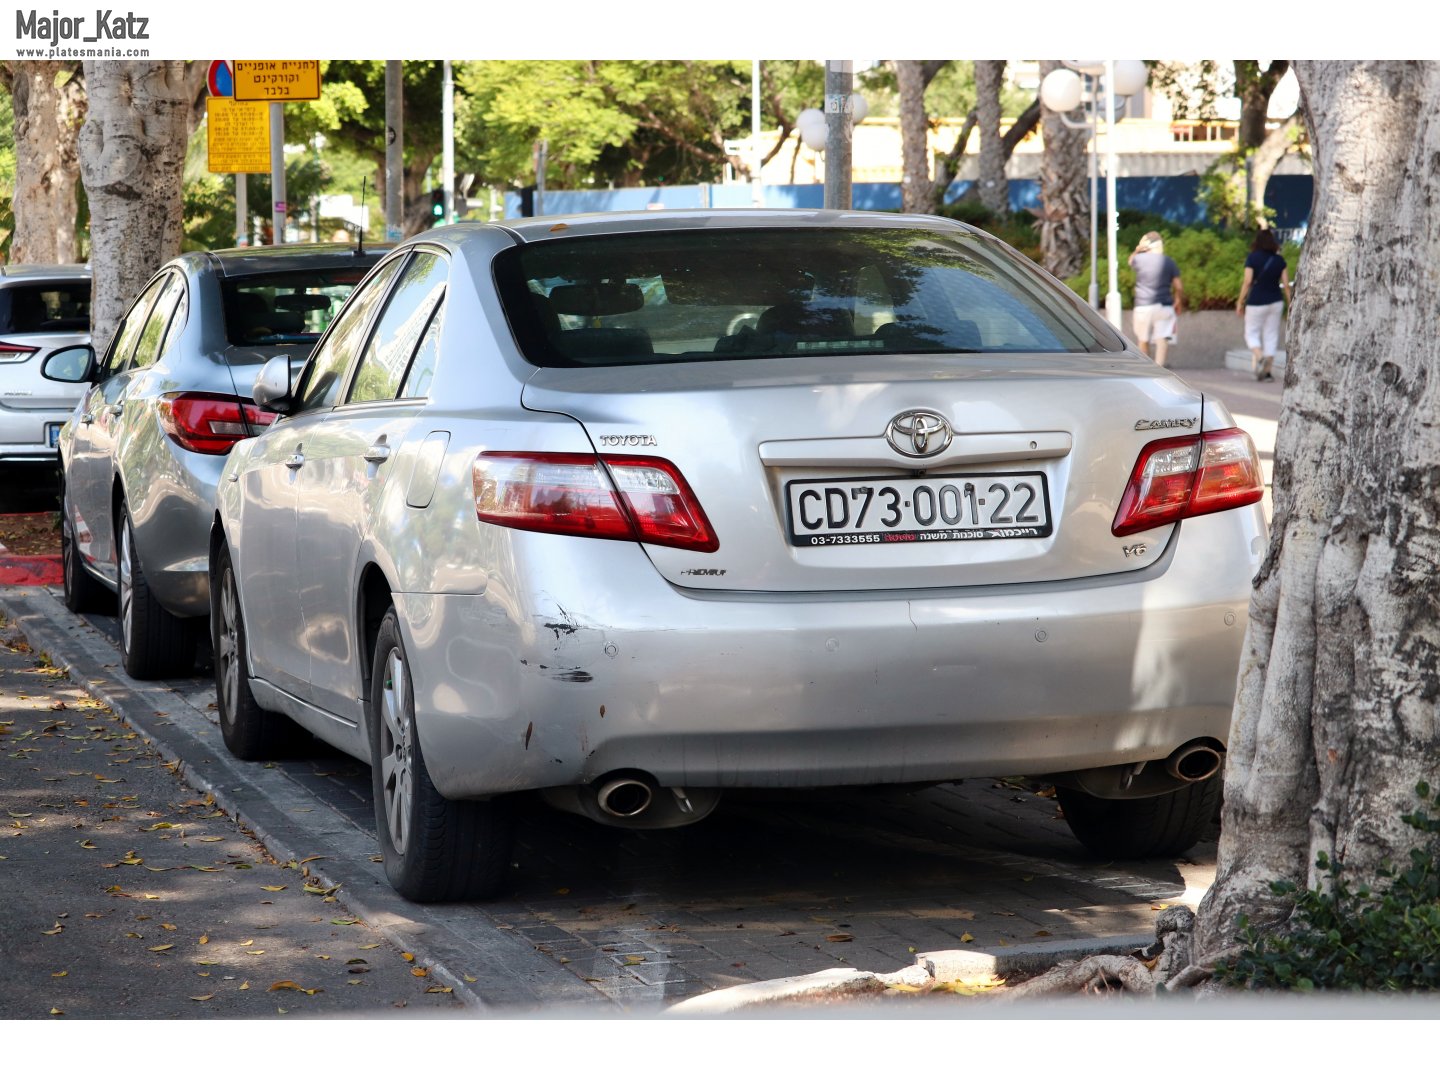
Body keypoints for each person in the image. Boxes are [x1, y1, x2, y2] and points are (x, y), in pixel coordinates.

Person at [1237, 227, 1291, 381]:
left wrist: (1240, 302)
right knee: (1271, 335)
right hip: (1276, 301)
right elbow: (1286, 285)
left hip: (1256, 302)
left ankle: (1260, 357)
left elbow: (1247, 281)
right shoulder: (1279, 260)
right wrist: (1290, 303)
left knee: (1251, 333)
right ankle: (1267, 373)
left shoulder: (1252, 258)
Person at [1127, 231, 1184, 367]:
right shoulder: (1169, 262)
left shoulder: (1140, 259)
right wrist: (1178, 300)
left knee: (1143, 339)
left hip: (1143, 305)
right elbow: (1179, 286)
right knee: (1162, 338)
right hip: (1164, 306)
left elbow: (1130, 262)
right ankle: (1159, 368)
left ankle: (1147, 369)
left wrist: (1137, 250)